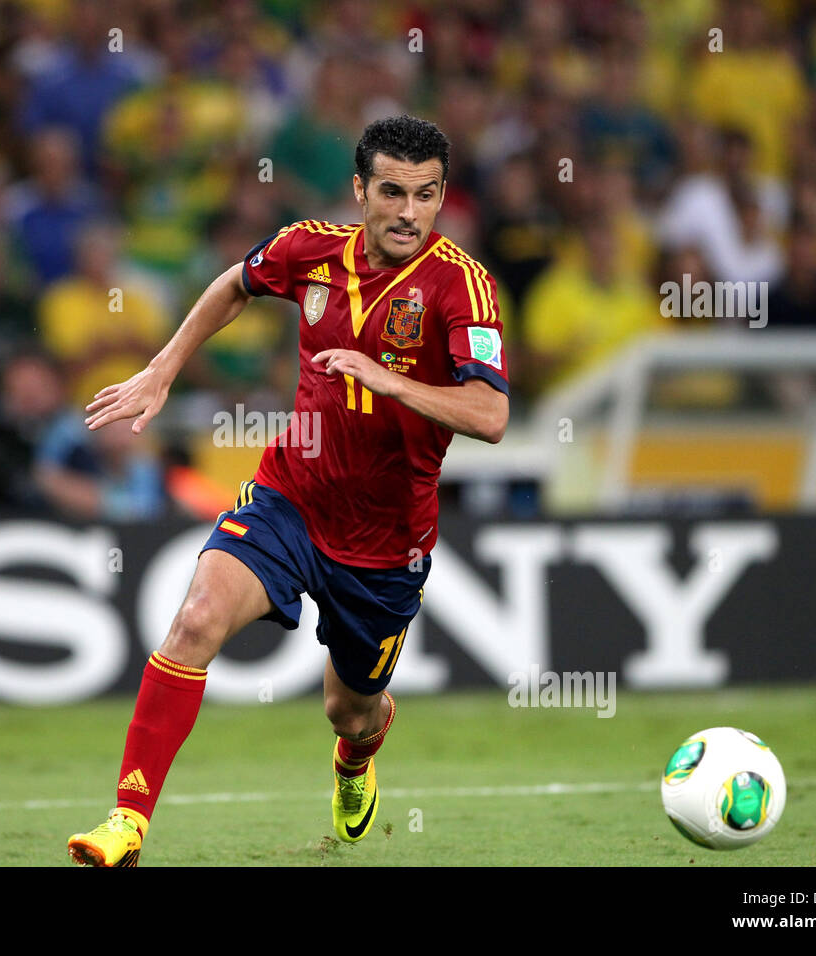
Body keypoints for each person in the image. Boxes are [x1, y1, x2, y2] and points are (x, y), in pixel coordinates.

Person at [66, 115, 509, 866]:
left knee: (349, 710)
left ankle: (356, 759)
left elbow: (492, 415)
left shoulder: (462, 288)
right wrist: (164, 367)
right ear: (360, 189)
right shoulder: (310, 248)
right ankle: (128, 821)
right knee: (197, 620)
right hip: (290, 495)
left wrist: (389, 380)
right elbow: (235, 284)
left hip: (384, 541)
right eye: (393, 192)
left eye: (426, 196)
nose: (409, 212)